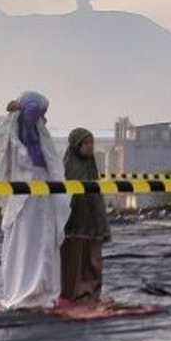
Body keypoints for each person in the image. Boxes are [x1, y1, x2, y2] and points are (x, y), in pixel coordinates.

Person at [0, 91, 71, 310]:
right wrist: (23, 106)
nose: (43, 119)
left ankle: (39, 288)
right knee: (29, 241)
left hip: (39, 196)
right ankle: (30, 289)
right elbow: (31, 110)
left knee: (38, 240)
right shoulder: (21, 134)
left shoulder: (33, 134)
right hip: (27, 199)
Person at [60, 128, 111, 304]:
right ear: (77, 145)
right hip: (74, 222)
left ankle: (91, 293)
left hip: (93, 221)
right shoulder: (67, 167)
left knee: (94, 261)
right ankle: (72, 293)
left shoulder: (91, 165)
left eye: (92, 143)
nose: (90, 147)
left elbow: (96, 192)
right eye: (86, 143)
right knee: (74, 261)